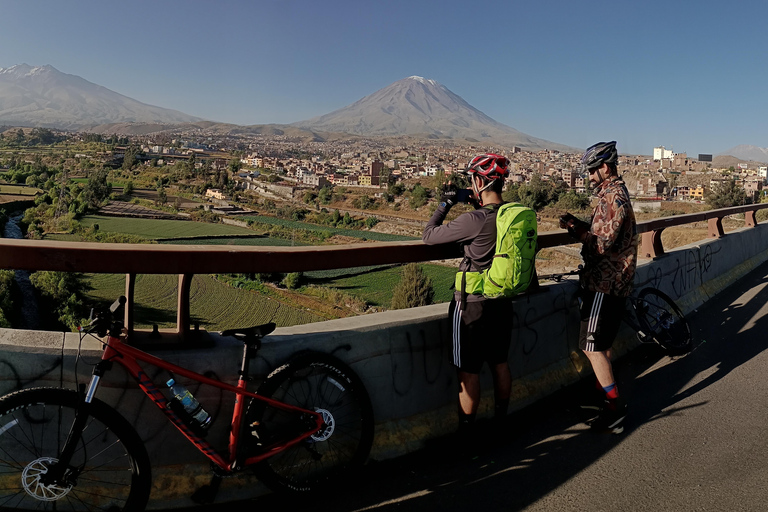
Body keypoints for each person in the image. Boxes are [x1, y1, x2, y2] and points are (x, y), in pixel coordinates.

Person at [422, 153, 513, 436]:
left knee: (468, 370)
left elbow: (429, 235)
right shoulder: (512, 216)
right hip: (503, 301)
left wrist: (446, 202)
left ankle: (466, 434)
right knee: (500, 363)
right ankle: (501, 422)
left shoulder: (474, 219)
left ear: (478, 181)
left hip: (472, 307)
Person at [559, 141, 637, 434]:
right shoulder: (615, 193)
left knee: (591, 346)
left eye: (592, 170)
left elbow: (600, 243)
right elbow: (603, 232)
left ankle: (613, 407)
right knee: (601, 345)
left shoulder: (612, 198)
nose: (590, 176)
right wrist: (581, 224)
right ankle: (604, 397)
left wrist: (576, 229)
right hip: (612, 282)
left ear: (605, 167)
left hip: (606, 283)